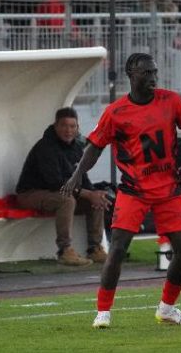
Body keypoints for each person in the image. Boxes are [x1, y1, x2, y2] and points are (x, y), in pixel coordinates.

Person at [61, 53, 181, 329]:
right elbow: (94, 148)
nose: (153, 78)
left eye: (154, 72)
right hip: (134, 189)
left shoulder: (171, 100)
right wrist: (76, 175)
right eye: (146, 73)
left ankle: (167, 308)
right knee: (117, 248)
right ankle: (103, 311)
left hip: (168, 188)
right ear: (131, 74)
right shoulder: (116, 112)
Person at [16, 108, 110, 266]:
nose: (68, 130)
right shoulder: (45, 147)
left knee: (97, 199)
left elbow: (82, 178)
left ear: (77, 128)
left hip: (58, 193)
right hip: (31, 194)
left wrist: (94, 193)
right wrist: (86, 193)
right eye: (64, 126)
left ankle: (95, 249)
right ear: (56, 126)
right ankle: (64, 251)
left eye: (73, 126)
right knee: (66, 200)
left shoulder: (76, 148)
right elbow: (55, 183)